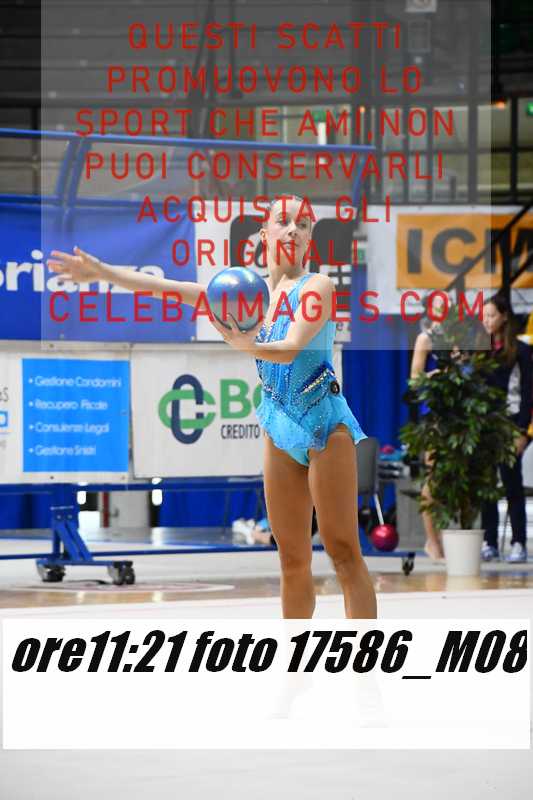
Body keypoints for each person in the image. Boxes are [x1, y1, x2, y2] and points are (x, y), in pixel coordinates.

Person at [48, 194, 377, 618]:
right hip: (279, 426)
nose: (293, 230)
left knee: (343, 551)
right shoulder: (246, 294)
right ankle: (296, 656)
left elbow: (292, 347)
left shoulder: (317, 287)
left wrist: (246, 344)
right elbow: (168, 289)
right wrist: (102, 273)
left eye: (303, 225)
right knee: (291, 559)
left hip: (323, 424)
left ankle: (364, 656)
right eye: (283, 221)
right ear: (264, 234)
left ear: (310, 239)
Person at [479, 293, 532, 563]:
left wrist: (522, 432)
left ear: (504, 317)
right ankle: (489, 541)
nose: (487, 321)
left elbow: (528, 393)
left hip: (512, 425)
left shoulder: (521, 351)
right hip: (486, 425)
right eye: (484, 316)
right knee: (487, 484)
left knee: (512, 483)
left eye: (491, 315)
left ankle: (519, 542)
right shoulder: (481, 349)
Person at [409, 296, 447, 563]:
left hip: (453, 415)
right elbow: (414, 379)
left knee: (445, 479)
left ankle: (443, 539)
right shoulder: (425, 339)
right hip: (432, 415)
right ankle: (432, 541)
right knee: (433, 477)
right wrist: (435, 377)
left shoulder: (455, 338)